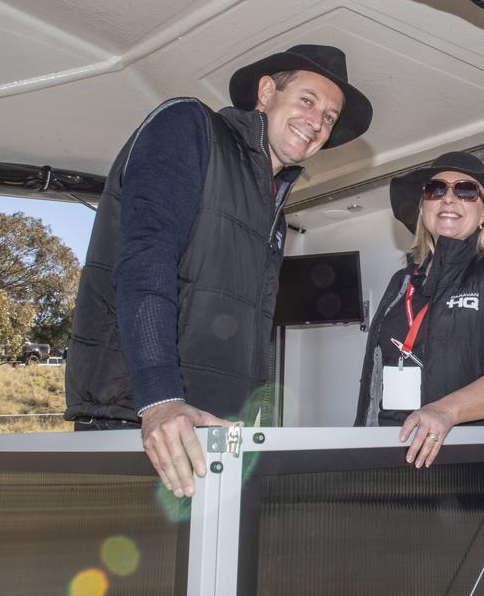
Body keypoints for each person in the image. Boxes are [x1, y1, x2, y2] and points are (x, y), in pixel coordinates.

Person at [66, 45, 372, 497]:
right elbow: (145, 261)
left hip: (217, 434)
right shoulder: (189, 125)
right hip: (146, 421)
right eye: (308, 100)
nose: (317, 121)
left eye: (329, 117)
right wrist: (160, 400)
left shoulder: (273, 211)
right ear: (266, 92)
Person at [354, 152, 484, 467]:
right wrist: (363, 446)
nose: (448, 199)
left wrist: (446, 410)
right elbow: (375, 380)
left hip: (477, 464)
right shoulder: (401, 282)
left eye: (465, 190)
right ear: (424, 207)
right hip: (399, 454)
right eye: (436, 190)